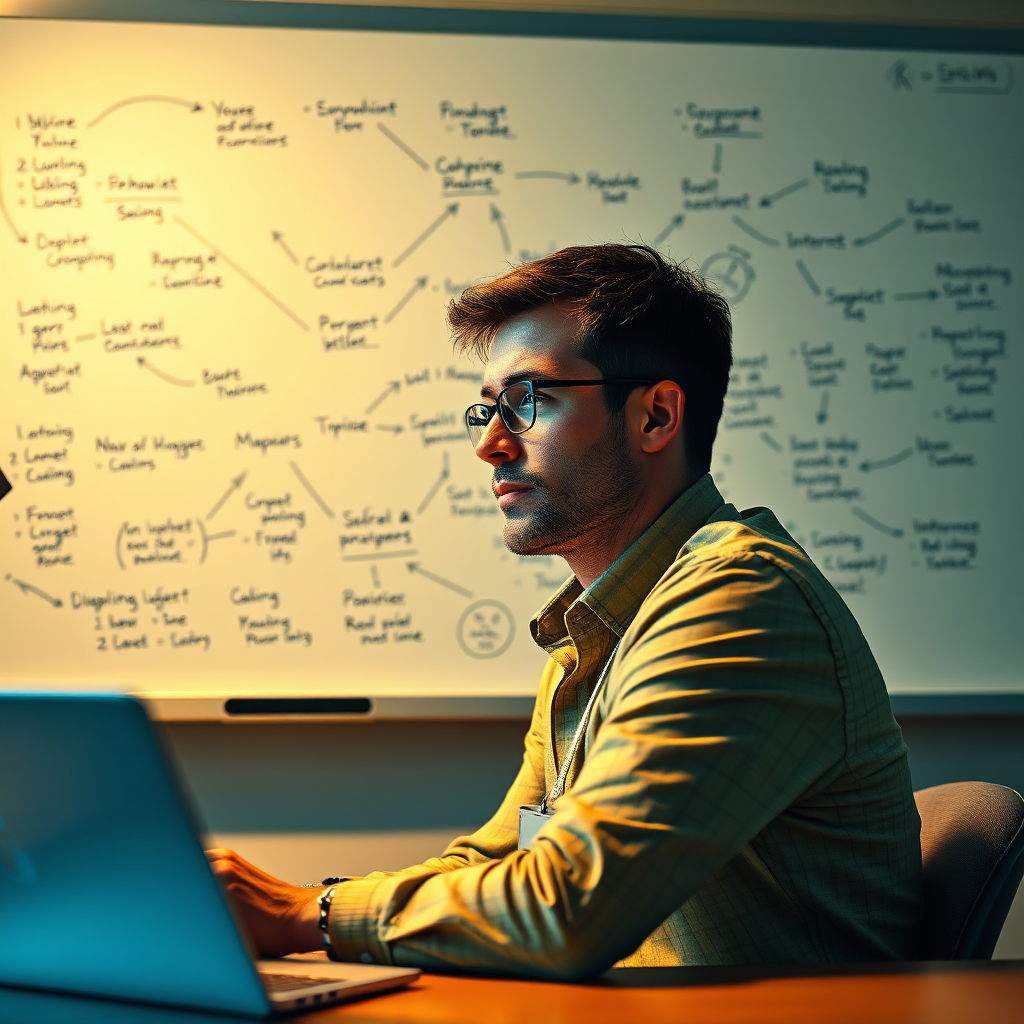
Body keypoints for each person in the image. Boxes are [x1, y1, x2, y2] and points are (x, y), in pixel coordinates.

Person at [207, 243, 923, 977]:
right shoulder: (599, 629)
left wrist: (303, 915)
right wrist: (305, 905)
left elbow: (566, 906)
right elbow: (499, 863)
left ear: (654, 417)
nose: (489, 444)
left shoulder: (739, 599)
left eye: (528, 401)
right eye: (486, 408)